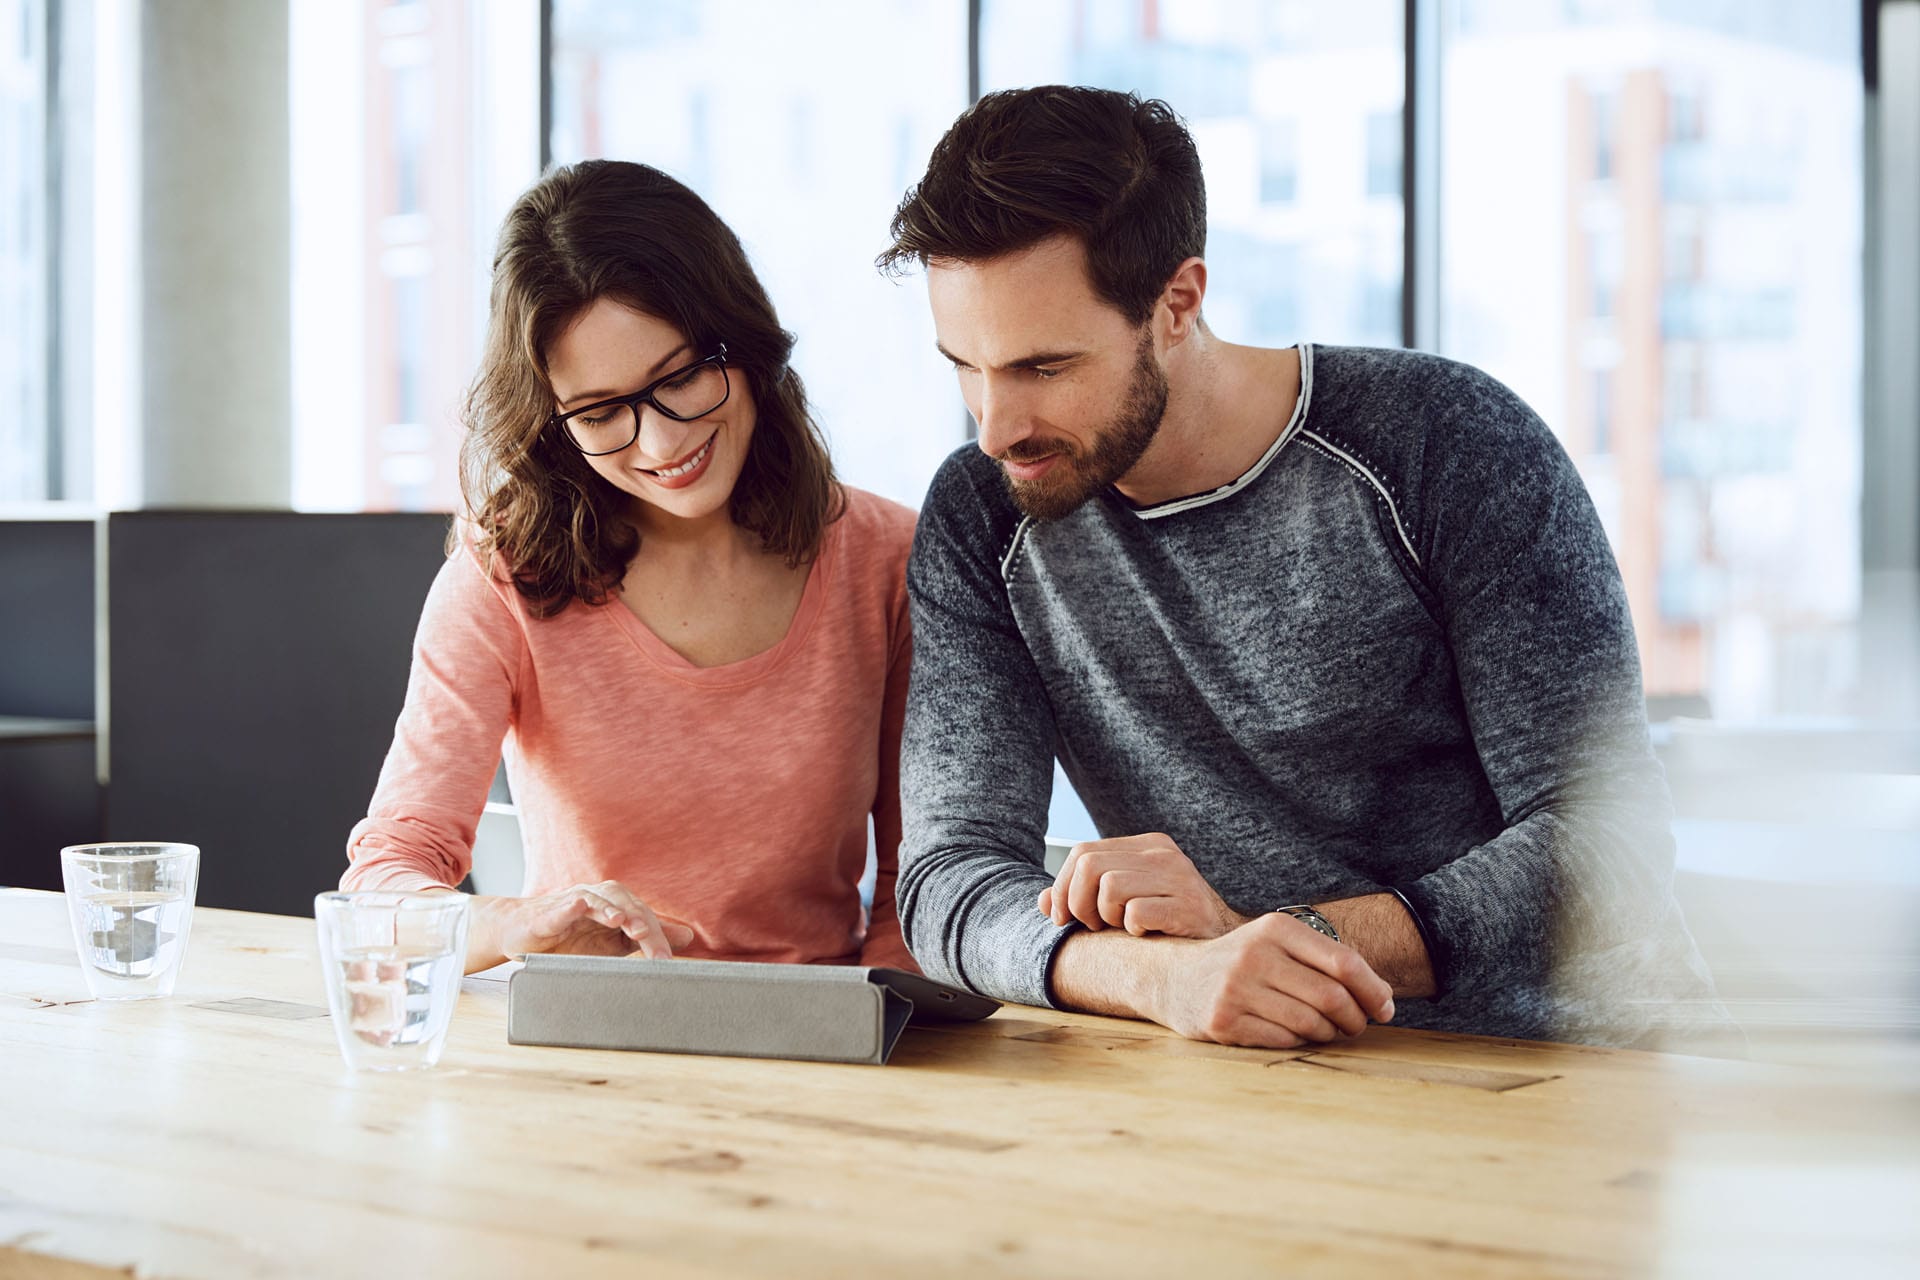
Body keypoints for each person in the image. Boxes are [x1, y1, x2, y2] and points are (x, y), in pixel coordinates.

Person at [879, 86, 1725, 1048]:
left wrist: (1263, 940)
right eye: (964, 365)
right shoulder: (985, 516)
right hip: (1276, 1083)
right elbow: (951, 875)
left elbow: (1606, 841)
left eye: (1044, 368)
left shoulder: (1441, 444)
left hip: (1578, 1068)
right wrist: (1156, 977)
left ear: (1177, 303)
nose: (995, 427)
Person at [345, 159, 917, 977]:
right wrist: (514, 924)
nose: (660, 444)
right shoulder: (503, 578)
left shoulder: (886, 562)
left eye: (678, 378)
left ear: (742, 341)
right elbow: (384, 885)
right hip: (587, 1045)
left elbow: (917, 889)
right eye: (601, 411)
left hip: (827, 1041)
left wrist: (886, 1033)